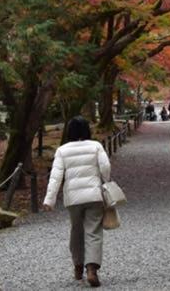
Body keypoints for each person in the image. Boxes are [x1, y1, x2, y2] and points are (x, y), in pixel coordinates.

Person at [42, 116, 110, 288]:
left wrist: (49, 199)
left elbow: (55, 177)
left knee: (76, 231)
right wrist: (105, 181)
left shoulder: (62, 150)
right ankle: (92, 269)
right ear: (87, 130)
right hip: (94, 195)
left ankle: (78, 266)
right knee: (93, 231)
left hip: (73, 199)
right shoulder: (96, 146)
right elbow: (106, 167)